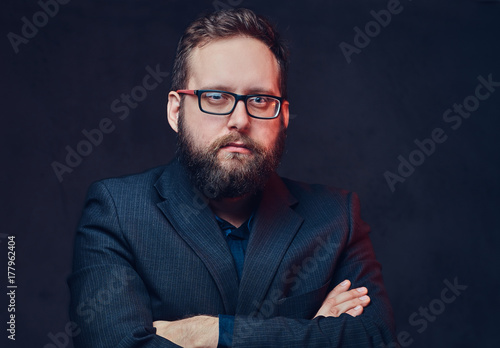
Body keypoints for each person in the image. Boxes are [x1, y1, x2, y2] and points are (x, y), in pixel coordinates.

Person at [69, 8, 396, 348]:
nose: (240, 119)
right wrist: (309, 335)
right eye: (215, 97)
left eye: (259, 99)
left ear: (282, 116)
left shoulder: (336, 217)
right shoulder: (117, 212)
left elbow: (375, 339)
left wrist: (210, 333)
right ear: (175, 111)